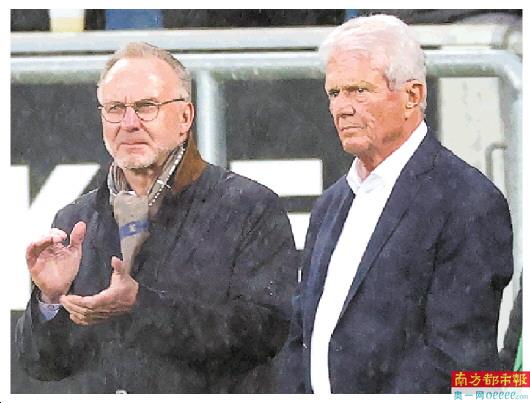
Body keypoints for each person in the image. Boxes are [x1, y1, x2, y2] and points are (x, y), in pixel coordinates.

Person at [15, 42, 298, 393]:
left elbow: (266, 335)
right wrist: (50, 300)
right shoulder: (76, 218)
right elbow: (43, 365)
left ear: (185, 118)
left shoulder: (250, 207)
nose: (129, 123)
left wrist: (140, 307)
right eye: (115, 108)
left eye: (146, 107)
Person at [279, 14, 513, 393]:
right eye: (334, 93)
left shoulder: (468, 200)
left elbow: (457, 358)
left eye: (359, 90)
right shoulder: (332, 204)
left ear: (412, 96)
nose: (342, 108)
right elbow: (302, 336)